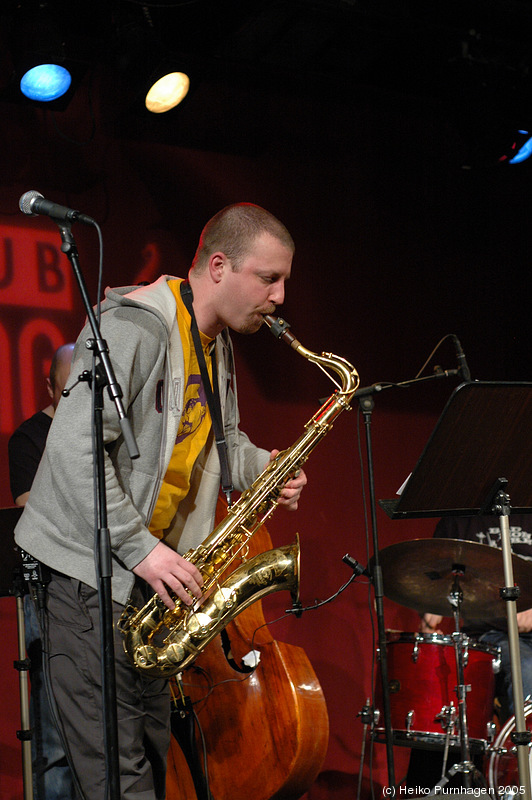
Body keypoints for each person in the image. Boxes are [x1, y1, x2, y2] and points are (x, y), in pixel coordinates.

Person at [14, 203, 307, 800]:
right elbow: (73, 450)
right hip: (88, 572)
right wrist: (139, 547)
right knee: (116, 773)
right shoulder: (137, 326)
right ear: (219, 266)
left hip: (146, 574)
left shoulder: (215, 341)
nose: (279, 297)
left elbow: (218, 438)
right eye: (268, 278)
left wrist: (264, 469)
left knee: (150, 749)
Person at [406, 513, 532, 790]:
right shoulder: (460, 520)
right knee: (525, 669)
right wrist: (428, 621)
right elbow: (436, 579)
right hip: (491, 634)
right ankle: (515, 779)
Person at [8, 342, 76, 800]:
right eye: (66, 387)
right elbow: (26, 507)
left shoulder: (105, 432)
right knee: (54, 737)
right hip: (49, 592)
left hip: (102, 590)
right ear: (49, 385)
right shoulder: (29, 437)